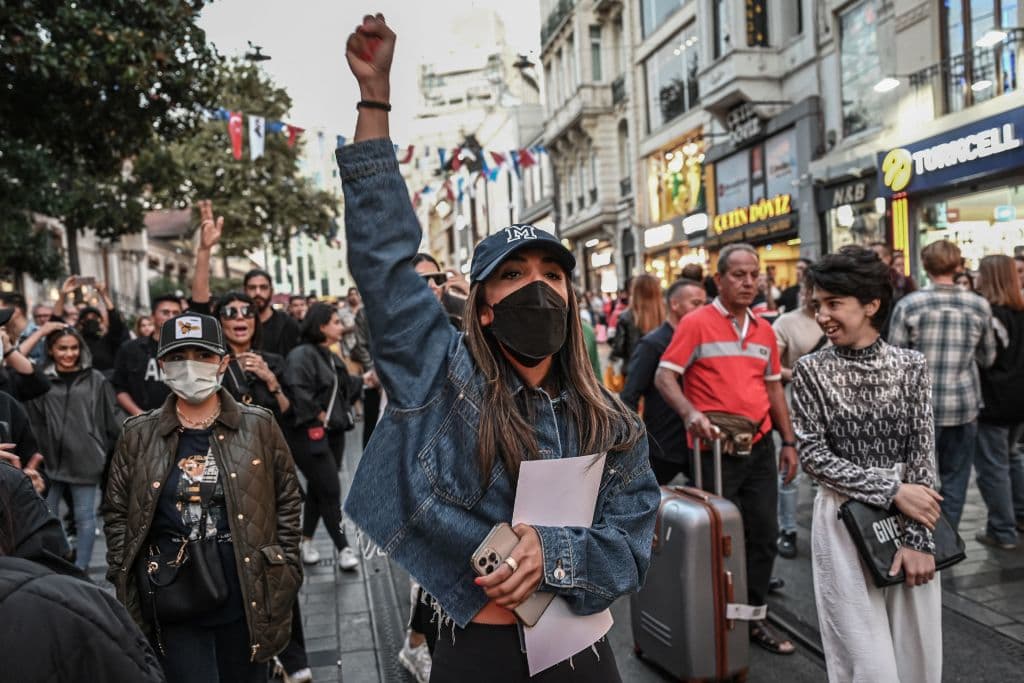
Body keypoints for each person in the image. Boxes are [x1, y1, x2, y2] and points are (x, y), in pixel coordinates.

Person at [339, 16, 659, 680]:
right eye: (513, 275)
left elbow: (631, 547)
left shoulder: (612, 421)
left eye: (551, 274)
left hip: (583, 654)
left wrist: (554, 552)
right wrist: (375, 99)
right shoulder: (439, 380)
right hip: (479, 652)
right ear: (482, 304)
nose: (535, 288)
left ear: (571, 297)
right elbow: (387, 265)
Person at [103, 312, 302, 681]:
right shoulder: (137, 435)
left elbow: (288, 498)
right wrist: (125, 575)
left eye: (203, 356)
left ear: (224, 363)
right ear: (161, 366)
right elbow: (117, 512)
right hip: (172, 596)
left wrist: (285, 566)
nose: (190, 367)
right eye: (178, 358)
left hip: (247, 592)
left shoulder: (258, 425)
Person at [791, 245, 942, 683]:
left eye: (834, 304)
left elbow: (922, 454)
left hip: (911, 517)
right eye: (818, 305)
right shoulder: (810, 370)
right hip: (841, 520)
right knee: (864, 661)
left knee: (918, 657)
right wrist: (891, 490)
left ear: (871, 304)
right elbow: (814, 458)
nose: (822, 316)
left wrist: (919, 540)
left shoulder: (911, 365)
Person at [654, 242, 799, 656]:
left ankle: (753, 619)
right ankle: (714, 618)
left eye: (754, 274)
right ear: (719, 280)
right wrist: (690, 414)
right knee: (719, 538)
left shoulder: (765, 329)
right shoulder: (697, 322)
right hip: (713, 451)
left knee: (764, 534)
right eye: (739, 274)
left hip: (757, 447)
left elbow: (773, 389)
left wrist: (787, 441)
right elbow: (666, 377)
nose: (749, 282)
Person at [888, 239, 995, 531]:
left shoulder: (910, 305)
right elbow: (988, 357)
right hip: (963, 404)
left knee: (919, 477)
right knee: (956, 477)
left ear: (925, 266)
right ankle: (946, 537)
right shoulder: (978, 304)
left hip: (920, 407)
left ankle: (923, 533)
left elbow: (895, 361)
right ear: (958, 264)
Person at [26, 326, 120, 570]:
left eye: (73, 347)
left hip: (85, 457)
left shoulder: (96, 379)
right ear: (51, 350)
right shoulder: (40, 378)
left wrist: (102, 448)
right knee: (46, 515)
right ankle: (59, 562)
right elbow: (33, 417)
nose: (69, 353)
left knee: (85, 518)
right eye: (62, 348)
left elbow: (109, 418)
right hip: (48, 459)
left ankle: (81, 570)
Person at [284, 303, 366, 572]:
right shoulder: (301, 355)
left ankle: (305, 541)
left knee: (319, 489)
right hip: (309, 435)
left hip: (333, 434)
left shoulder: (328, 355)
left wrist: (369, 379)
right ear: (321, 326)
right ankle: (343, 548)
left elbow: (346, 386)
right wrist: (321, 416)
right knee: (330, 489)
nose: (341, 326)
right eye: (335, 322)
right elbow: (297, 391)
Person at [621, 279, 706, 485]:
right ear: (675, 304)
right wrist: (633, 444)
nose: (702, 310)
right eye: (696, 303)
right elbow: (629, 396)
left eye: (705, 304)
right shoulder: (653, 343)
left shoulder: (702, 340)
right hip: (664, 441)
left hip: (697, 440)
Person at [772, 273, 828, 560]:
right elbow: (770, 368)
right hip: (796, 408)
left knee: (825, 477)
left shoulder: (838, 318)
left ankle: (828, 532)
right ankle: (788, 530)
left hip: (832, 414)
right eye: (809, 290)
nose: (811, 296)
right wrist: (803, 373)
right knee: (789, 475)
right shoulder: (786, 323)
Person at [973, 255, 1024, 550]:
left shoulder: (991, 314)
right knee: (1012, 457)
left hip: (995, 400)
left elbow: (987, 359)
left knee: (994, 466)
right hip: (1018, 399)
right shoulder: (1019, 311)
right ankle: (1019, 515)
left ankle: (1002, 530)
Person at [111, 295, 183, 415]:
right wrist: (139, 415)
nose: (171, 317)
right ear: (152, 316)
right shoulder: (130, 349)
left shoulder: (189, 350)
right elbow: (119, 387)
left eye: (176, 313)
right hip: (142, 422)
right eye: (165, 312)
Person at [609, 274, 663, 384]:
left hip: (633, 372)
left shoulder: (626, 317)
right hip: (660, 373)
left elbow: (619, 348)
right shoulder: (666, 316)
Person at [245, 269, 301, 358]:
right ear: (245, 291)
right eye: (252, 288)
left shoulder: (287, 324)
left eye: (263, 287)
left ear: (271, 291)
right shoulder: (237, 325)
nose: (258, 292)